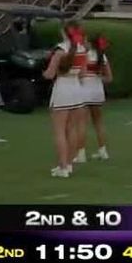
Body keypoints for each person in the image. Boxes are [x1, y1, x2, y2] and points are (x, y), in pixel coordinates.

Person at [44, 21, 90, 178]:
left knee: (59, 131)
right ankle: (68, 165)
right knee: (71, 129)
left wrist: (43, 73)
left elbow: (50, 74)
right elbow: (83, 74)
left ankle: (63, 167)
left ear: (64, 32)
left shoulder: (60, 50)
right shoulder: (83, 49)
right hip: (76, 89)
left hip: (62, 89)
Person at [77, 34, 112, 160]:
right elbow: (109, 78)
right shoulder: (102, 56)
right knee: (98, 123)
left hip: (84, 91)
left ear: (90, 43)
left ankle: (81, 154)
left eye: (86, 41)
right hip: (97, 91)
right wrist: (98, 77)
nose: (84, 43)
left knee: (82, 123)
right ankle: (103, 151)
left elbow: (80, 74)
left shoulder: (83, 55)